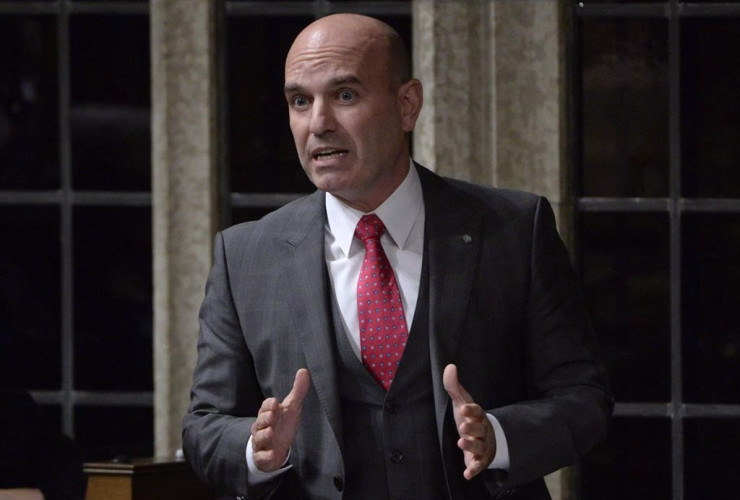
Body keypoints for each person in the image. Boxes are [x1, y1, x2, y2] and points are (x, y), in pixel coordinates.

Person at [183, 13, 612, 500]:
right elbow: (204, 426)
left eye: (345, 95)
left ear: (407, 104)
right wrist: (256, 450)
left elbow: (584, 399)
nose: (318, 123)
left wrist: (499, 436)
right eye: (300, 101)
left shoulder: (512, 230)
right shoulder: (244, 256)